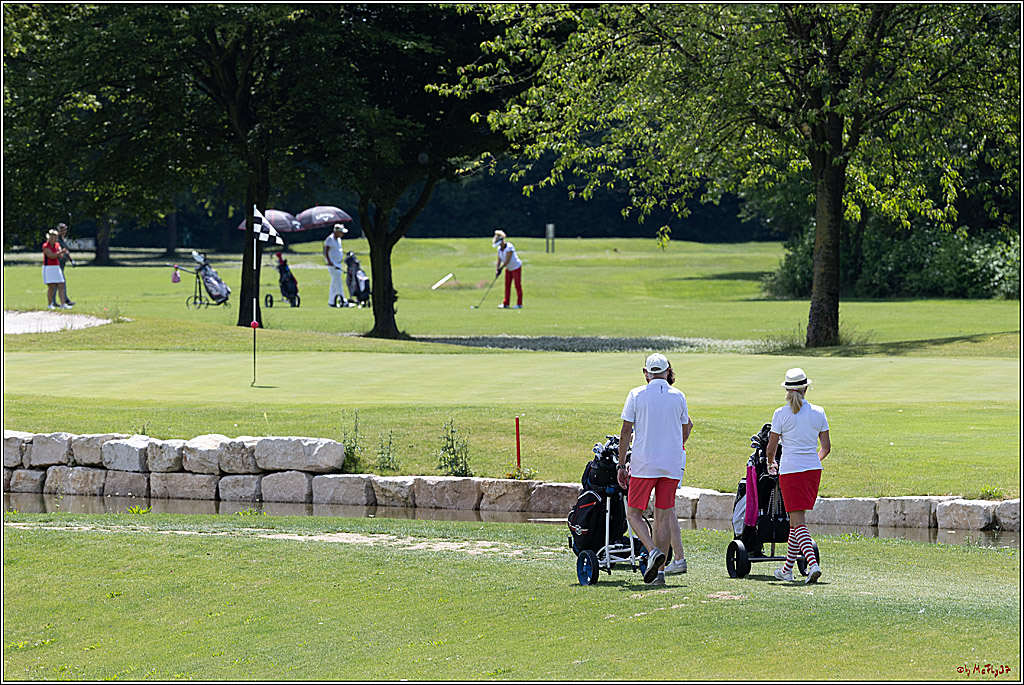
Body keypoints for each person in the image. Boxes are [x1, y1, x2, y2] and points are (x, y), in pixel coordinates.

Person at [617, 353, 693, 585]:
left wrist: (621, 465)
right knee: (663, 516)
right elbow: (686, 428)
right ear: (668, 371)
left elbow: (625, 432)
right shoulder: (678, 396)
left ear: (646, 373)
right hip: (670, 465)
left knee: (633, 514)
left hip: (643, 464)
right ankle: (658, 574)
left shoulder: (636, 394)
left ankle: (652, 551)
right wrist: (674, 447)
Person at [766, 368, 829, 584]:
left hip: (791, 471)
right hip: (812, 470)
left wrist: (770, 464)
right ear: (805, 389)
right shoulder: (819, 412)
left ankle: (813, 565)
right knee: (796, 521)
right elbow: (826, 448)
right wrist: (812, 462)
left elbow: (771, 449)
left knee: (798, 521)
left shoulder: (780, 414)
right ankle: (786, 569)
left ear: (787, 390)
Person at [42, 229, 72, 309]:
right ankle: (50, 304)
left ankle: (63, 304)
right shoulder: (46, 246)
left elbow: (59, 253)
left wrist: (61, 253)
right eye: (54, 237)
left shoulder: (57, 244)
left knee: (61, 284)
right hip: (48, 267)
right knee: (51, 287)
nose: (56, 239)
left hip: (56, 266)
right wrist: (60, 253)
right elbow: (51, 255)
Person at [492, 230, 523, 309]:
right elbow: (499, 260)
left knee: (517, 285)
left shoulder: (509, 247)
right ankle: (506, 303)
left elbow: (507, 260)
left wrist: (501, 269)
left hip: (516, 267)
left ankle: (519, 304)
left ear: (502, 240)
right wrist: (497, 269)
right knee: (507, 285)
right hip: (508, 269)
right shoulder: (499, 249)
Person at [49, 223, 75, 307]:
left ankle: (56, 301)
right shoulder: (56, 240)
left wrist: (71, 261)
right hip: (56, 264)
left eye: (65, 230)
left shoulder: (63, 240)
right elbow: (57, 251)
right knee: (59, 282)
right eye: (62, 230)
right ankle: (63, 300)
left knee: (58, 283)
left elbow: (66, 251)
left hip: (62, 264)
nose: (64, 232)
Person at [323, 223, 349, 307]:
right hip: (333, 264)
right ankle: (343, 301)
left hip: (338, 263)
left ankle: (331, 302)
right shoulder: (330, 239)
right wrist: (329, 261)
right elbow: (326, 251)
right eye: (341, 232)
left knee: (334, 283)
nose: (342, 234)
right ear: (337, 232)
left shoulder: (338, 240)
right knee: (338, 283)